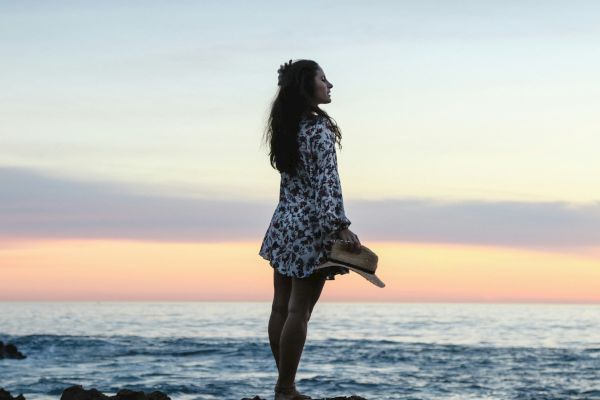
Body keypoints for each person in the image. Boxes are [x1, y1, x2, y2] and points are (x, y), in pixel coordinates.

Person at [258, 59, 361, 400]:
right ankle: (285, 388)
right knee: (299, 311)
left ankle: (284, 384)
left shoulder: (286, 127)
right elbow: (326, 183)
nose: (329, 85)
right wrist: (340, 226)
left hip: (284, 224)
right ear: (307, 86)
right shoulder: (317, 128)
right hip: (310, 228)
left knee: (280, 308)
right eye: (323, 79)